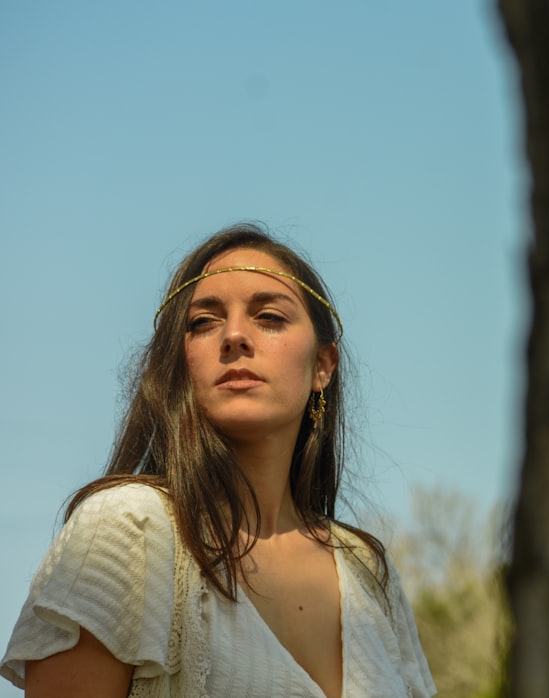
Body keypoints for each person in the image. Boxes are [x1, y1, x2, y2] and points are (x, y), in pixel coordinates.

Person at [1, 223, 436, 697]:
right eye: (203, 322)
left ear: (322, 366)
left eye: (268, 316)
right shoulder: (129, 527)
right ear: (179, 363)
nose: (233, 336)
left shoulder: (369, 573)